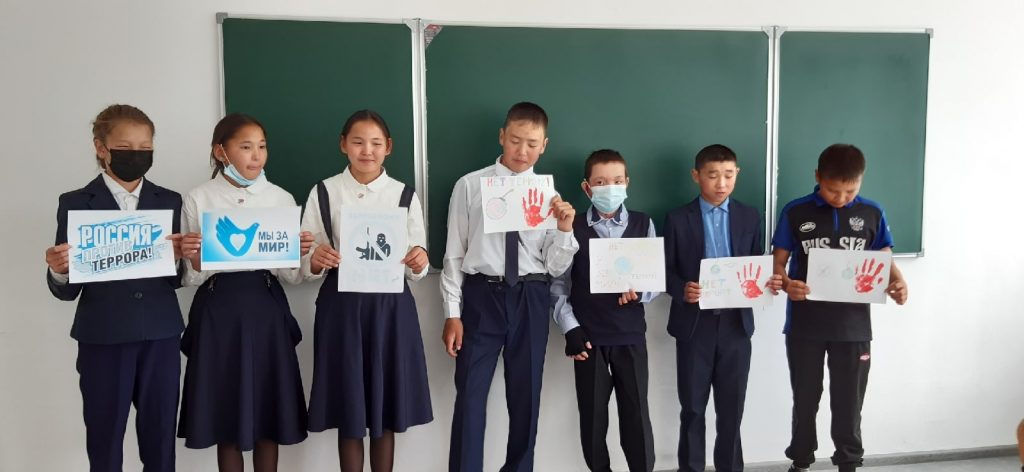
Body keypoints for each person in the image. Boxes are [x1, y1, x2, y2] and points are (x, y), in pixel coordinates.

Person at [44, 104, 196, 472]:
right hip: (103, 337)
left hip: (160, 334)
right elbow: (67, 289)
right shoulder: (75, 203)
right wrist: (59, 271)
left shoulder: (170, 200)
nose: (137, 154)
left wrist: (180, 258)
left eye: (146, 147)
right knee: (104, 438)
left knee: (160, 437)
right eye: (126, 147)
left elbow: (174, 279)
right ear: (102, 148)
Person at [441, 101, 578, 472]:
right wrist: (452, 312)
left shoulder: (548, 194)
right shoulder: (470, 185)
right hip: (481, 296)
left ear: (544, 145)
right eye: (515, 140)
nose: (522, 151)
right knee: (470, 396)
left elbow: (554, 266)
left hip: (531, 296)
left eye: (532, 144)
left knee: (526, 397)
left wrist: (564, 230)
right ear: (502, 136)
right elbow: (454, 253)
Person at [177, 113, 313, 471]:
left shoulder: (281, 198)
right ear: (221, 152)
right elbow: (192, 277)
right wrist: (191, 257)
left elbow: (292, 276)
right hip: (218, 311)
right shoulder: (198, 198)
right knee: (227, 416)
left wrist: (299, 254)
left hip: (266, 308)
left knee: (268, 413)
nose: (256, 156)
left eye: (262, 147)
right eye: (246, 147)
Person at [303, 109, 433, 472]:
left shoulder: (403, 194)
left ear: (388, 147)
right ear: (343, 144)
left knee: (384, 405)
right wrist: (316, 258)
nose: (367, 150)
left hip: (390, 309)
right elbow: (306, 260)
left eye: (376, 143)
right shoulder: (324, 191)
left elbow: (419, 261)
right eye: (358, 142)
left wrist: (419, 260)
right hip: (341, 308)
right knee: (349, 405)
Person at [771, 143, 909, 472]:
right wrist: (787, 284)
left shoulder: (872, 212)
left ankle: (849, 462)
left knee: (849, 402)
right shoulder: (796, 211)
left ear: (861, 181)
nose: (842, 198)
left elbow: (884, 256)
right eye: (834, 190)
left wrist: (898, 281)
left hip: (854, 327)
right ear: (818, 177)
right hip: (805, 325)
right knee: (805, 398)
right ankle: (800, 460)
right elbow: (777, 263)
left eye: (851, 190)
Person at [664, 144, 782, 472]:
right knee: (692, 409)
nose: (721, 183)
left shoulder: (749, 216)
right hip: (694, 325)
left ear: (737, 174)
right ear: (696, 175)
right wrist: (681, 289)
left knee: (731, 410)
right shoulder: (677, 218)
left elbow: (756, 264)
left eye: (729, 175)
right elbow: (665, 270)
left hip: (736, 325)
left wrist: (768, 281)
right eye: (713, 175)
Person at [551, 149, 657, 472]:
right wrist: (570, 328)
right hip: (588, 338)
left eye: (616, 181)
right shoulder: (571, 226)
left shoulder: (642, 223)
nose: (609, 188)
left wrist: (640, 292)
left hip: (630, 335)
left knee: (636, 413)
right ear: (587, 188)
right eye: (600, 182)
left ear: (627, 183)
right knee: (593, 417)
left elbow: (653, 281)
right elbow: (558, 284)